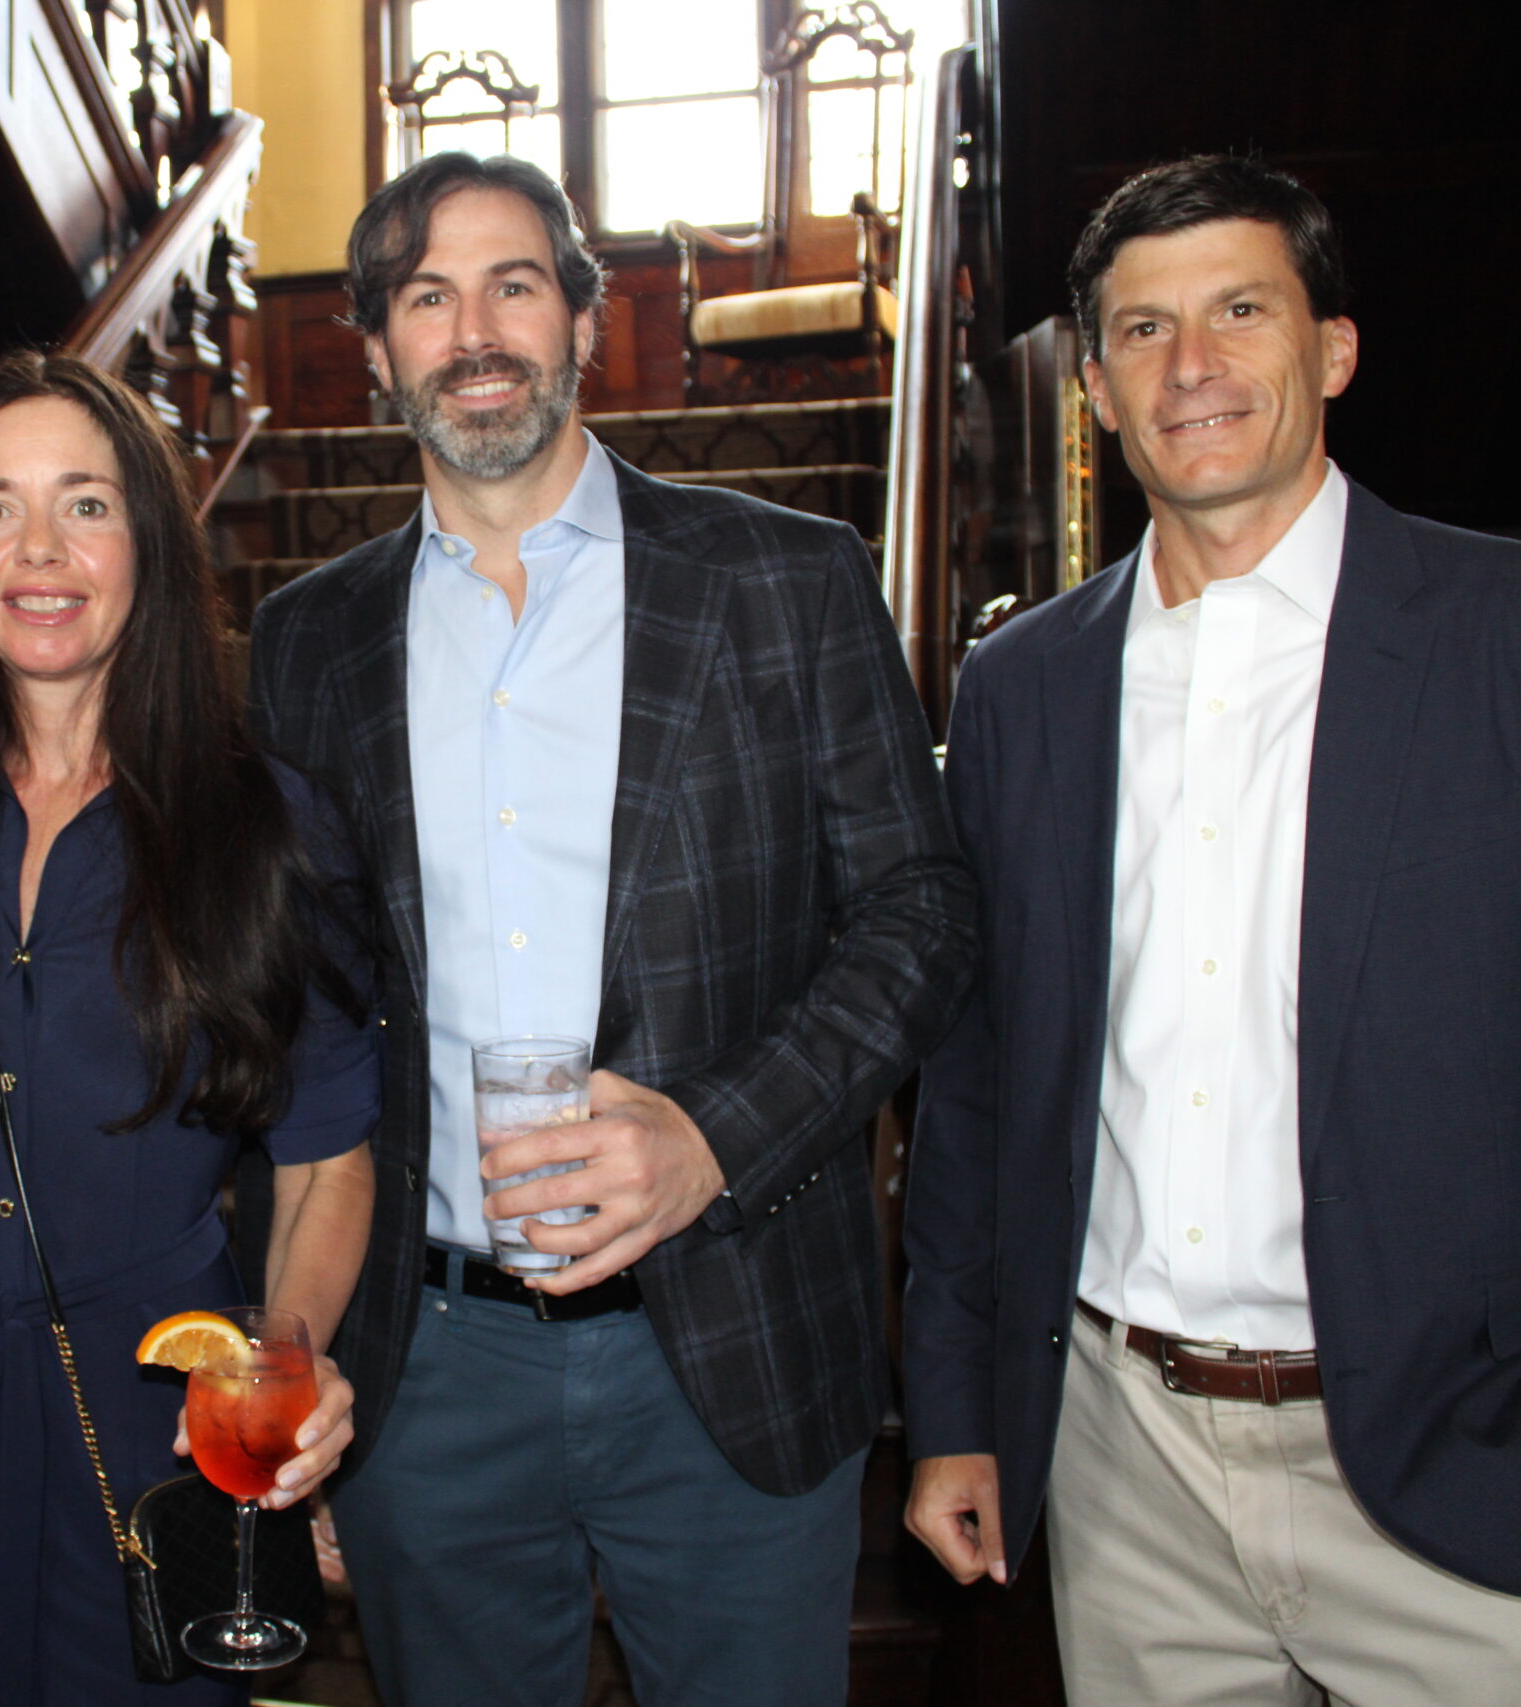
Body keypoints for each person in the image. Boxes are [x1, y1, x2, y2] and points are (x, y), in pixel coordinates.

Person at [902, 153, 1521, 1702]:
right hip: (1126, 1470)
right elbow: (978, 1084)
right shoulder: (1023, 688)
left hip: (1467, 1468)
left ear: (1336, 349)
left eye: (1241, 310)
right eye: (1143, 330)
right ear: (1096, 389)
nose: (1194, 364)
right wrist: (958, 1408)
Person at [245, 152, 975, 1707]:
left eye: (514, 285)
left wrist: (714, 1138)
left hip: (732, 1335)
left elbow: (921, 915)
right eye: (426, 298)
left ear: (586, 319)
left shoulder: (786, 579)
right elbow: (295, 1025)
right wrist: (300, 1358)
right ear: (373, 350)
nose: (474, 333)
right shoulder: (308, 642)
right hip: (429, 1369)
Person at [0, 349, 377, 1706]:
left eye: (84, 504)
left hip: (160, 1421)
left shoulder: (269, 826)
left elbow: (326, 1161)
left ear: (149, 540)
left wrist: (285, 1372)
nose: (39, 550)